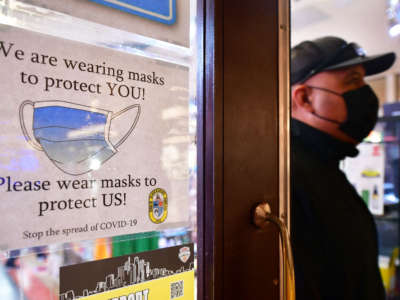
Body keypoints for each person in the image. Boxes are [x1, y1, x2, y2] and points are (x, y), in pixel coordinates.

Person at [290, 36, 396, 300]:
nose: (366, 94)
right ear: (304, 98)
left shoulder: (325, 165)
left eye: (363, 81)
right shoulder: (284, 179)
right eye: (352, 82)